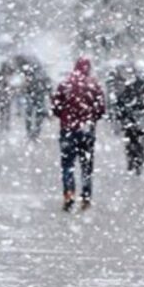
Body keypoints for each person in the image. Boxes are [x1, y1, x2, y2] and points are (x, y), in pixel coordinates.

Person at [51, 57, 105, 211]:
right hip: (87, 130)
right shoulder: (94, 85)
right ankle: (86, 197)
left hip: (68, 129)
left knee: (68, 164)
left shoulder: (65, 84)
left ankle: (69, 193)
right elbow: (101, 109)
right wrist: (90, 119)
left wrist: (65, 117)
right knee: (86, 165)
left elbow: (56, 106)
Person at [0, 60, 14, 132]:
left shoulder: (1, 75)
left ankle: (4, 124)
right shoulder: (6, 75)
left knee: (3, 111)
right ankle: (5, 124)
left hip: (3, 95)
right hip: (5, 95)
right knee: (6, 110)